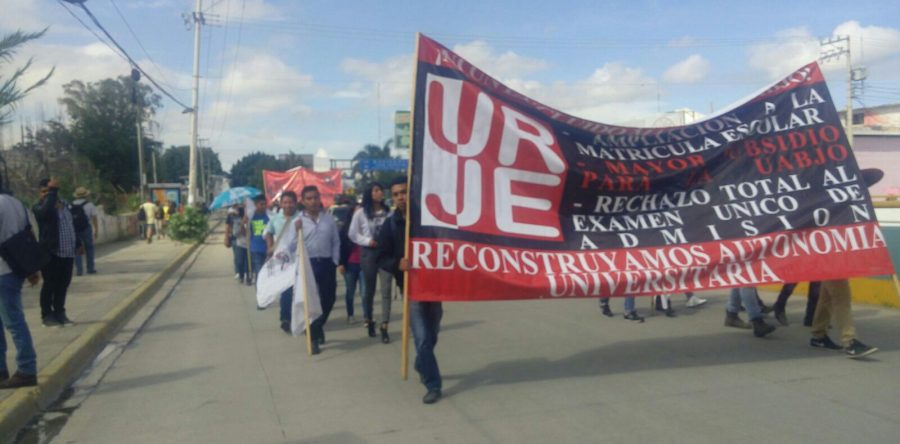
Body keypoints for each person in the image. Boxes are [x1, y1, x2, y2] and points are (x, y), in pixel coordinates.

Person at [377, 177, 442, 404]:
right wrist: (397, 264)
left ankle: (421, 361)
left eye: (403, 192)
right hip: (411, 289)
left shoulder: (428, 219)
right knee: (422, 337)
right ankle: (432, 383)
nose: (400, 197)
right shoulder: (390, 224)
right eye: (395, 194)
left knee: (432, 334)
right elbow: (381, 257)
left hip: (434, 287)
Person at [808, 168, 883, 359]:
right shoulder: (822, 201)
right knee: (842, 296)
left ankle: (818, 334)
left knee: (827, 297)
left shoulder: (844, 200)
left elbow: (877, 173)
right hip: (825, 254)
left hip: (835, 253)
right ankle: (849, 340)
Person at [0, 182, 39, 388]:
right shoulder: (16, 203)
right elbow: (28, 234)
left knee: (13, 322)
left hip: (2, 270)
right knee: (12, 321)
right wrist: (32, 269)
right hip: (15, 269)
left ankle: (26, 369)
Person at [297, 186, 340, 354]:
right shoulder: (298, 221)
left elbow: (336, 241)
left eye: (315, 197)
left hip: (327, 263)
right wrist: (296, 231)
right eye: (309, 198)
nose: (313, 201)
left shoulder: (328, 219)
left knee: (329, 299)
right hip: (309, 265)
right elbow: (292, 245)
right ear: (303, 201)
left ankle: (316, 326)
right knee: (312, 301)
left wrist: (335, 260)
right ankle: (314, 338)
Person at [349, 182, 394, 343]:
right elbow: (352, 234)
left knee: (386, 290)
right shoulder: (361, 213)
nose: (379, 192)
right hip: (368, 254)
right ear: (370, 193)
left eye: (381, 189)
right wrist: (368, 241)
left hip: (386, 255)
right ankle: (369, 318)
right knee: (369, 290)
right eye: (376, 190)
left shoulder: (389, 212)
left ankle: (384, 325)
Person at [33, 178, 82, 327]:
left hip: (67, 253)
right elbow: (46, 212)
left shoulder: (65, 206)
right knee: (50, 284)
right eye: (44, 192)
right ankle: (47, 315)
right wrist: (52, 192)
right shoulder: (39, 207)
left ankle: (60, 312)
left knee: (63, 284)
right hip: (51, 252)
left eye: (49, 192)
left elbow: (71, 225)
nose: (47, 195)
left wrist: (78, 243)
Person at [264, 192, 302, 336]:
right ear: (281, 204)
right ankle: (285, 318)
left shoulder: (301, 217)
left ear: (295, 202)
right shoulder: (275, 219)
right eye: (285, 202)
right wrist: (270, 245)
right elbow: (267, 232)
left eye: (290, 202)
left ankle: (299, 317)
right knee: (286, 290)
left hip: (299, 258)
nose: (288, 205)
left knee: (298, 290)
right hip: (282, 260)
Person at [338, 200, 364, 324]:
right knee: (350, 291)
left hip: (364, 265)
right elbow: (340, 247)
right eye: (357, 211)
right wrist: (341, 263)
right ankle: (350, 314)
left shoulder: (367, 227)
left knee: (365, 293)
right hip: (350, 265)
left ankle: (367, 316)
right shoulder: (345, 230)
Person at [70, 187, 99, 276]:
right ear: (86, 195)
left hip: (75, 229)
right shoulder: (90, 205)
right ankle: (90, 268)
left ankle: (79, 270)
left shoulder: (71, 205)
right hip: (86, 228)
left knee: (77, 249)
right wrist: (96, 230)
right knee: (89, 248)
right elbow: (94, 218)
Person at [248, 196, 270, 286]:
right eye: (261, 204)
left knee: (268, 273)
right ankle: (260, 294)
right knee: (259, 271)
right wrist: (243, 223)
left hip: (268, 248)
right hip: (256, 249)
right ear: (256, 205)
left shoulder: (269, 216)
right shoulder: (251, 217)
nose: (263, 206)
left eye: (265, 204)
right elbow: (244, 232)